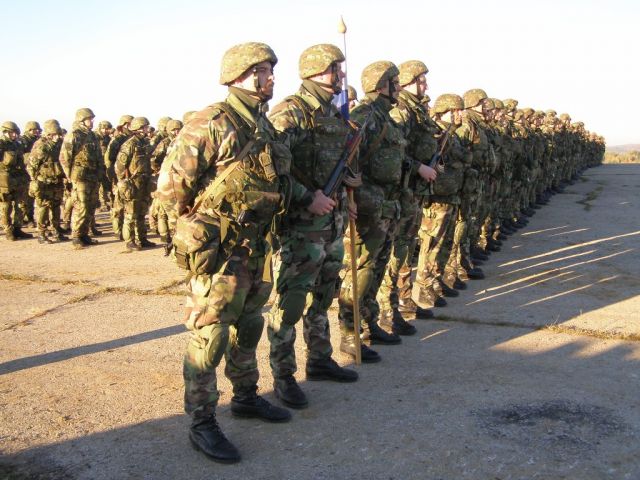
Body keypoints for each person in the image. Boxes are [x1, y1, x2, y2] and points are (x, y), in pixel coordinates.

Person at [156, 42, 309, 463]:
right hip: (221, 250)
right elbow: (170, 190)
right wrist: (198, 235)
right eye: (263, 70)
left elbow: (277, 183)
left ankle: (245, 395)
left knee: (249, 325)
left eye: (271, 70)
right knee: (211, 336)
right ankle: (202, 421)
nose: (271, 77)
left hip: (256, 246)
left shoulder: (262, 125)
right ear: (241, 75)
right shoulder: (213, 122)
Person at [266, 43, 358, 409]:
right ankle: (283, 375)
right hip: (302, 226)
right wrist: (307, 198)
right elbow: (270, 171)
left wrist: (348, 192)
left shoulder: (334, 113)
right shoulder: (291, 112)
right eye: (336, 68)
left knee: (323, 294)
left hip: (331, 223)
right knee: (291, 302)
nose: (341, 75)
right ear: (317, 71)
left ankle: (319, 358)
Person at [337, 60, 408, 363]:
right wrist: (349, 198)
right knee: (361, 270)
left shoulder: (385, 117)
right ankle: (349, 332)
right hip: (367, 204)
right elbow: (347, 158)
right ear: (381, 85)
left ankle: (369, 323)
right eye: (395, 82)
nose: (399, 87)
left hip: (386, 203)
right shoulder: (364, 116)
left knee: (377, 267)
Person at [377, 60, 438, 335]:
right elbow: (395, 154)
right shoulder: (401, 111)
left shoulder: (416, 110)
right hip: (402, 191)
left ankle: (403, 301)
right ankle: (388, 310)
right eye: (420, 81)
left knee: (405, 249)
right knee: (396, 252)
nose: (425, 86)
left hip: (413, 191)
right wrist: (418, 167)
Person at [59, 108, 102, 249]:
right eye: (89, 119)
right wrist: (70, 177)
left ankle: (84, 234)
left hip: (92, 176)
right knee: (81, 205)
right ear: (81, 120)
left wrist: (99, 172)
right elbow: (64, 158)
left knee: (90, 206)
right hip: (80, 176)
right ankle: (76, 235)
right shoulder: (74, 135)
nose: (92, 122)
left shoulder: (92, 135)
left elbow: (98, 155)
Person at [115, 117, 155, 251]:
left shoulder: (145, 143)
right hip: (133, 183)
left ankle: (142, 238)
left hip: (144, 182)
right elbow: (120, 165)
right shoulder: (130, 144)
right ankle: (130, 241)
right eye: (145, 127)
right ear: (138, 128)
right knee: (131, 213)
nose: (147, 129)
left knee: (142, 212)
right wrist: (123, 182)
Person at [27, 119, 67, 243]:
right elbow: (31, 165)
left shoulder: (59, 144)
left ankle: (56, 230)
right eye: (55, 135)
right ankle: (42, 233)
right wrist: (34, 180)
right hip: (44, 182)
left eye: (58, 134)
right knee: (43, 208)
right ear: (49, 134)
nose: (58, 137)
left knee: (56, 206)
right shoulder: (41, 145)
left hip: (57, 181)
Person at [0, 121, 32, 240]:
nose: (14, 135)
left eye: (15, 133)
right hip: (4, 180)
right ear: (5, 132)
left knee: (21, 204)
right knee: (6, 206)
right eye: (11, 133)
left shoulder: (18, 144)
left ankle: (18, 228)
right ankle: (8, 230)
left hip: (18, 178)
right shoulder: (1, 144)